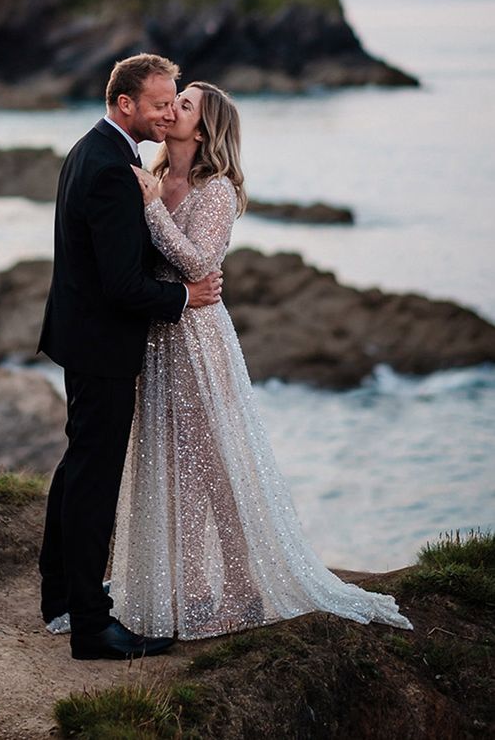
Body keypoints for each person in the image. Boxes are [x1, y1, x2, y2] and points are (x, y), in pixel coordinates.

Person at [110, 81, 413, 638]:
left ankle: (245, 588)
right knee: (173, 463)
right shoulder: (152, 178)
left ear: (202, 129)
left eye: (182, 104)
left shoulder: (216, 190)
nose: (169, 108)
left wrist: (153, 211)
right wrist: (148, 205)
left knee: (214, 467)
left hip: (198, 342)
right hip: (155, 338)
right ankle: (192, 588)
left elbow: (200, 262)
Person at [37, 55, 223, 660]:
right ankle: (91, 624)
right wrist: (185, 296)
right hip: (103, 344)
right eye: (160, 103)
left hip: (80, 336)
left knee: (78, 464)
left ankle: (61, 596)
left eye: (177, 103)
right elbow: (122, 284)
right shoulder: (115, 169)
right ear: (126, 106)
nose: (170, 112)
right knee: (94, 479)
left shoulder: (95, 149)